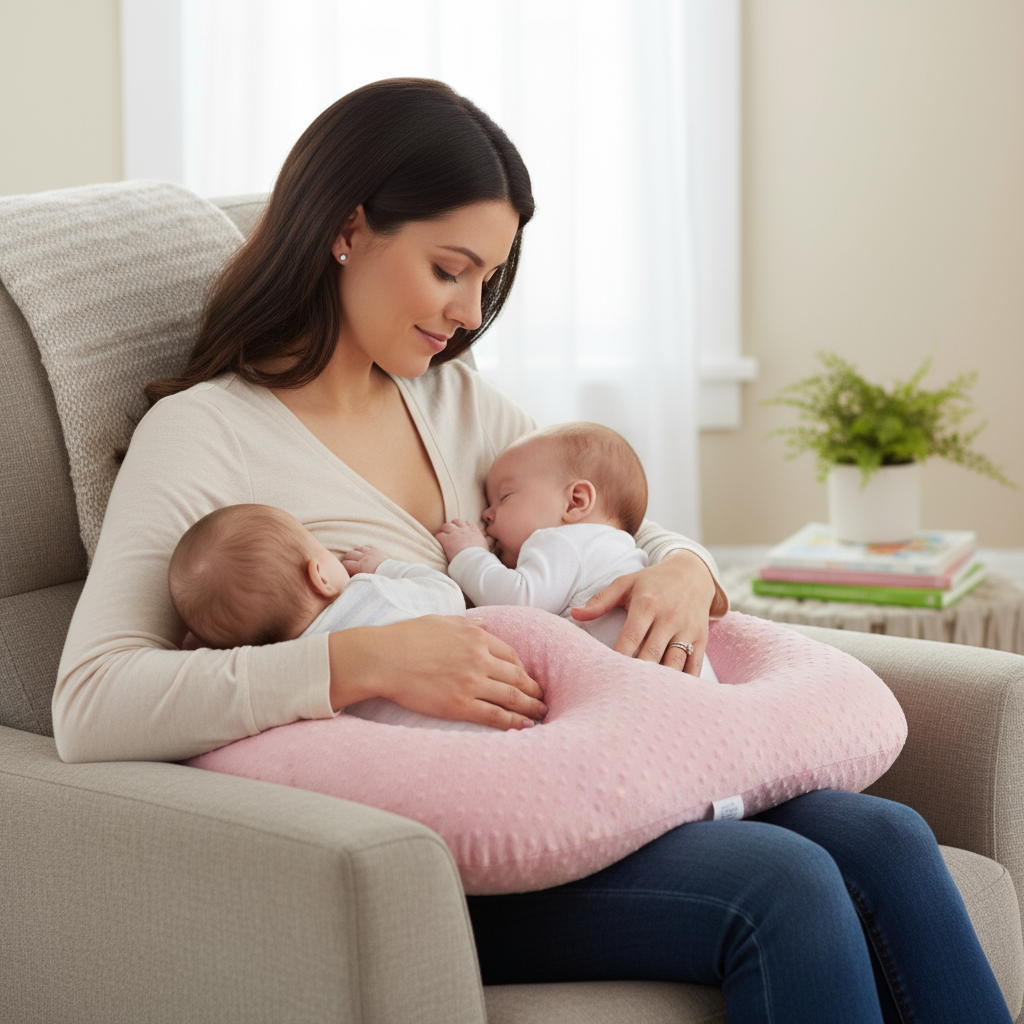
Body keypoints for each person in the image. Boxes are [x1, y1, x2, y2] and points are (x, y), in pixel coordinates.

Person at [53, 79, 1012, 1023]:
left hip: (579, 775)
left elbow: (605, 516)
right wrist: (360, 659)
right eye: (449, 269)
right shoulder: (205, 433)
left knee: (885, 837)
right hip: (434, 840)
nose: (470, 312)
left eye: (487, 279)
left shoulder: (456, 404)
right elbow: (92, 703)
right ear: (347, 231)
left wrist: (685, 569)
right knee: (787, 884)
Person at [168, 501, 502, 732]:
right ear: (320, 576)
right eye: (322, 548)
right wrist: (385, 567)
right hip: (482, 707)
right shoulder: (369, 591)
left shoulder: (296, 684)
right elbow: (448, 596)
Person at [436, 421, 718, 680]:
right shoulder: (619, 547)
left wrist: (469, 553)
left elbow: (517, 600)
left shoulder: (563, 541)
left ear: (575, 502)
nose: (487, 514)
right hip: (687, 678)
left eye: (505, 497)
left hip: (643, 685)